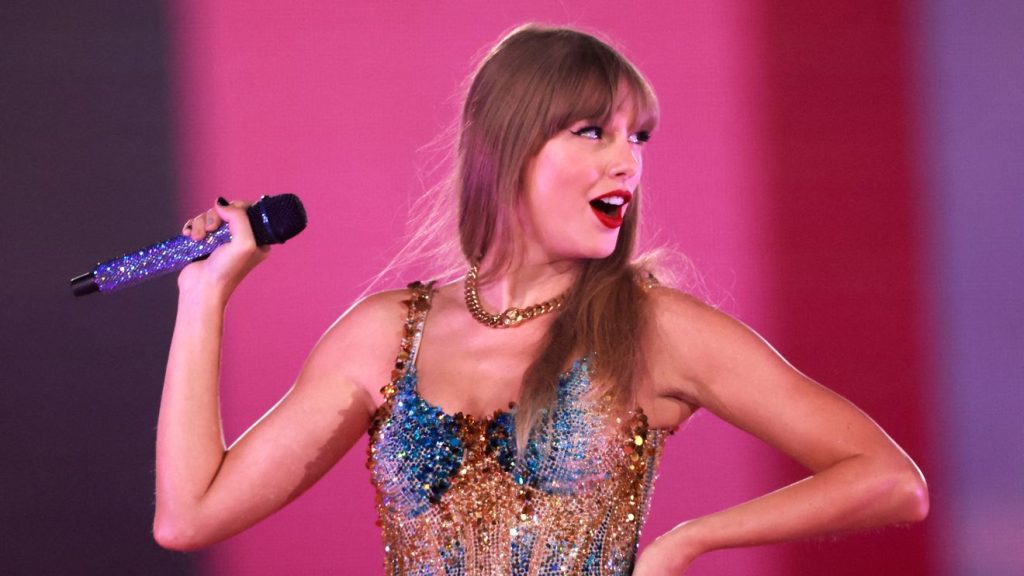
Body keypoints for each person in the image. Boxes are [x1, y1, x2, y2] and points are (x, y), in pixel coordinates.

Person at [154, 24, 928, 575]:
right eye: (593, 132)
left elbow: (890, 480)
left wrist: (688, 541)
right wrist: (204, 294)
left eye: (637, 137)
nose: (627, 162)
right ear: (510, 146)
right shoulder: (385, 336)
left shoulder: (650, 328)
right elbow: (190, 517)